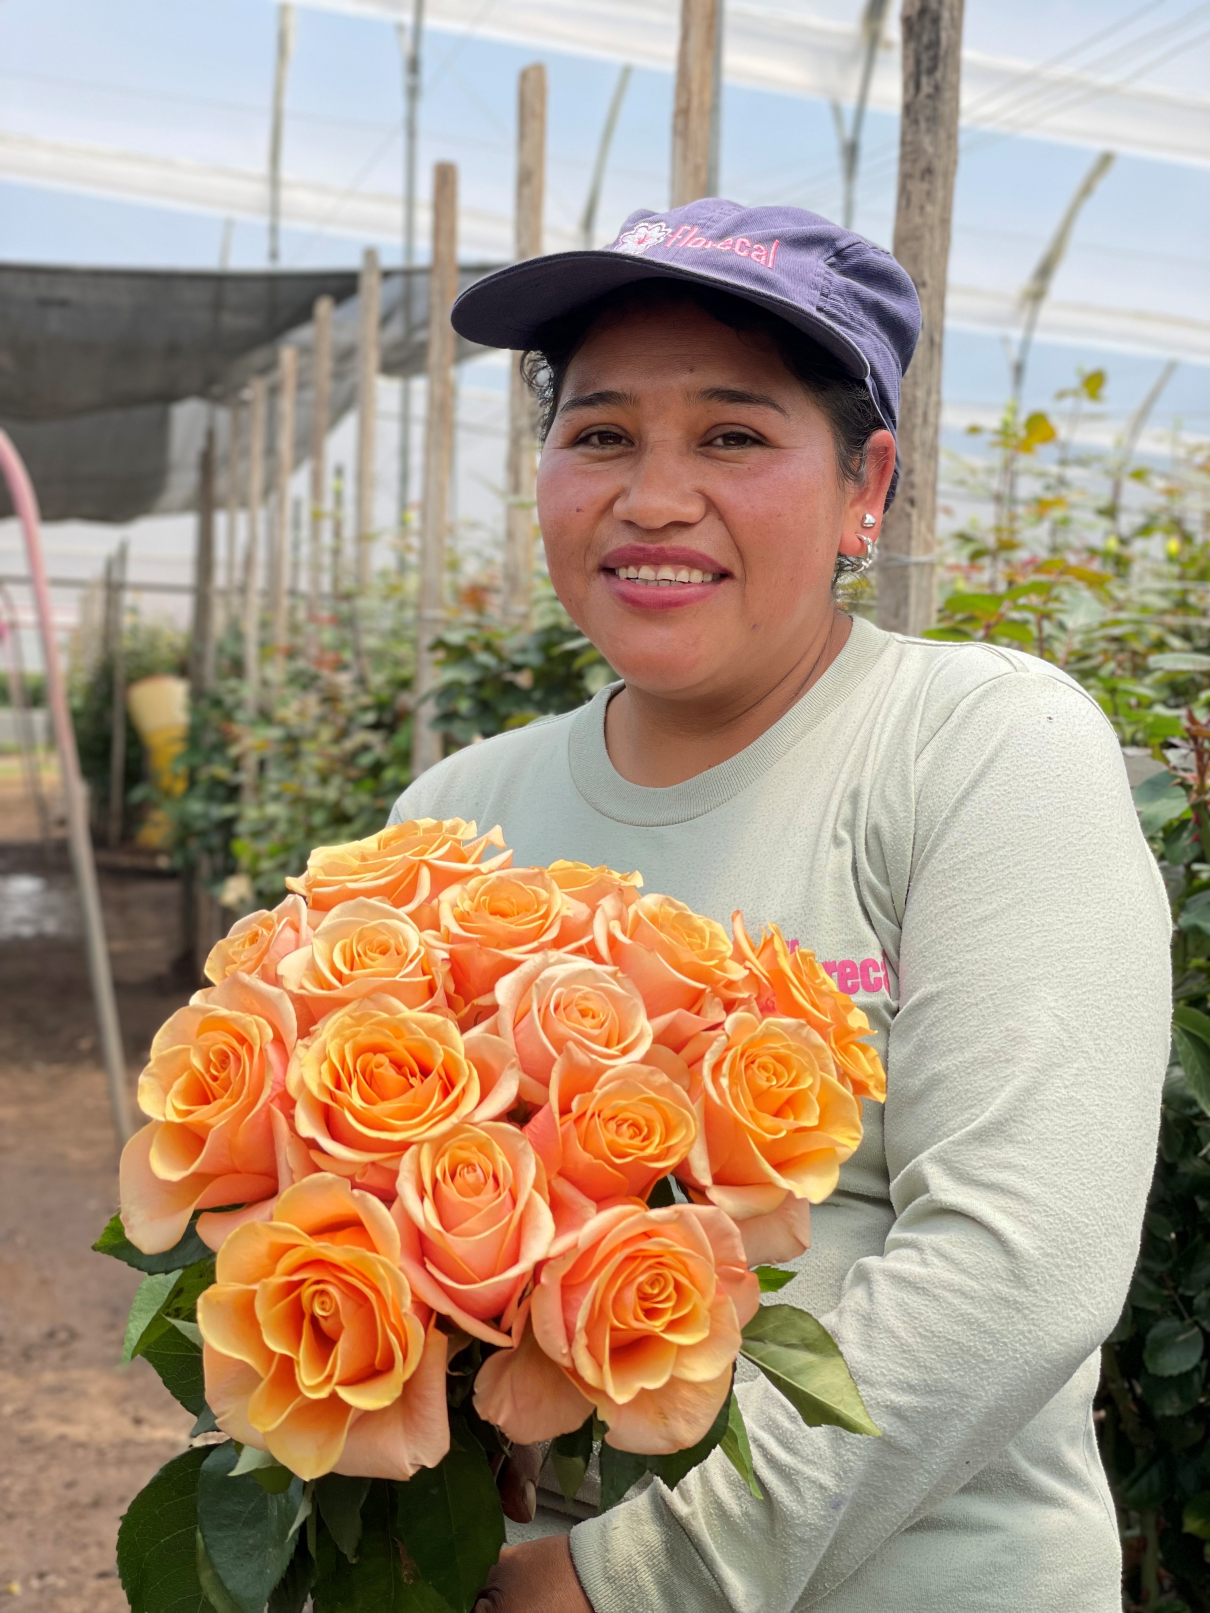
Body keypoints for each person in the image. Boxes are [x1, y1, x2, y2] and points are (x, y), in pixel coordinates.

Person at [387, 200, 1172, 1613]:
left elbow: (1019, 1267)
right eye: (601, 432)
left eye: (733, 436)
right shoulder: (454, 815)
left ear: (865, 487)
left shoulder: (973, 747)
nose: (653, 497)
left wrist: (622, 1581)